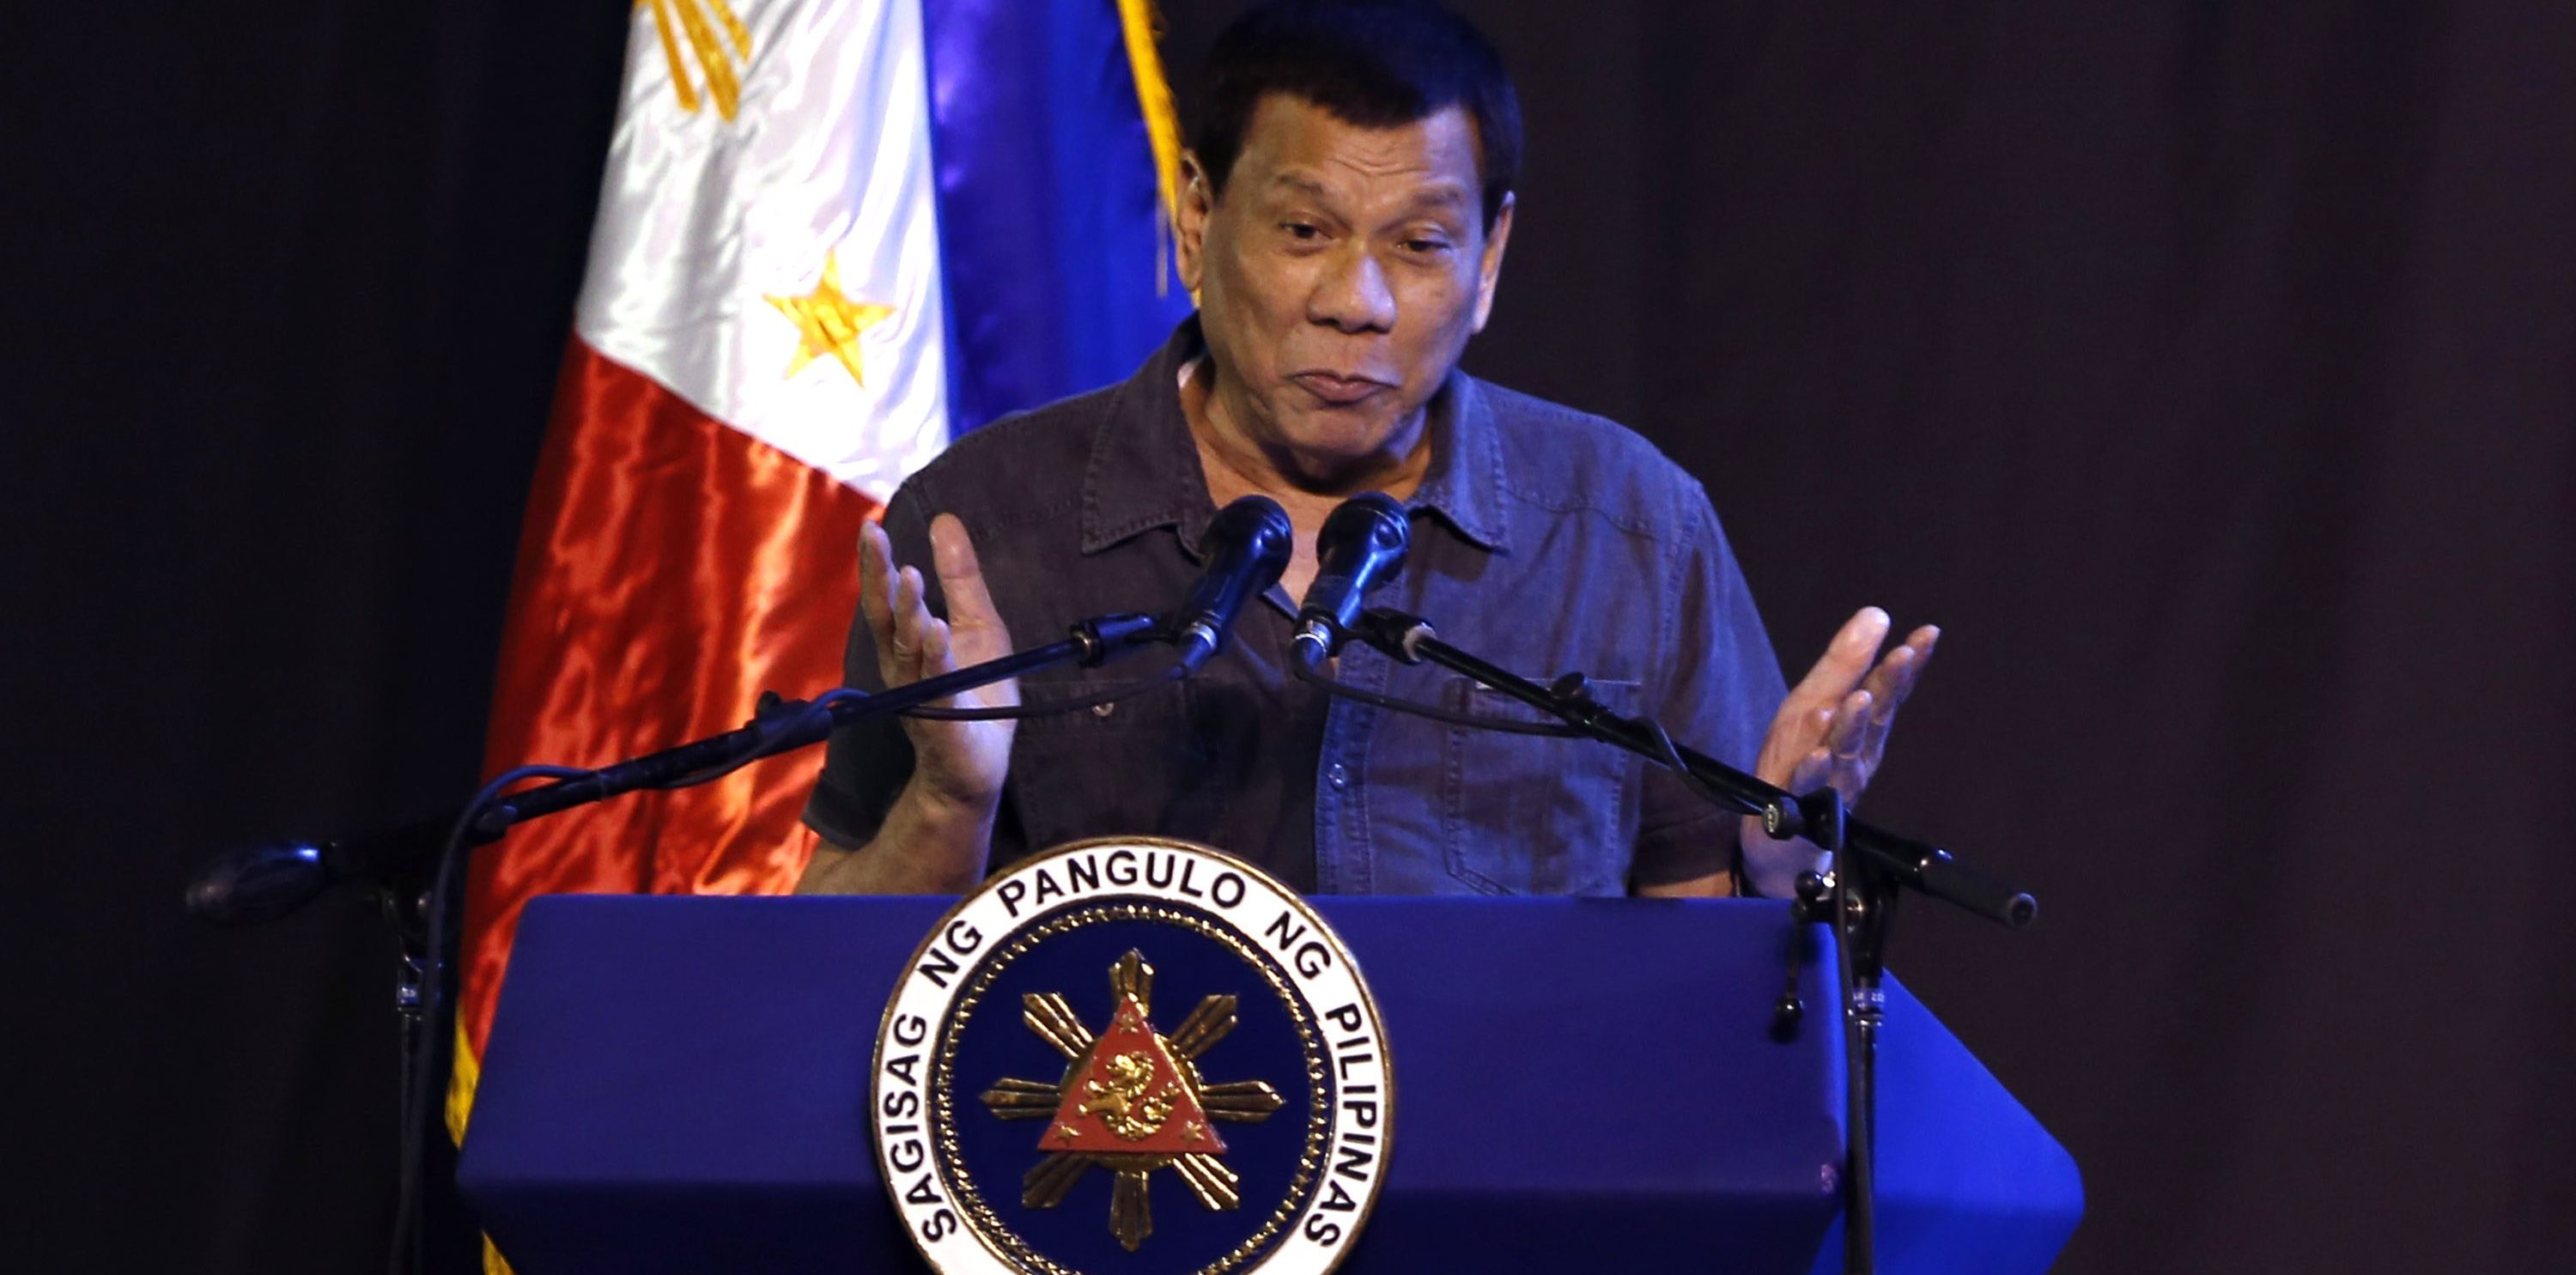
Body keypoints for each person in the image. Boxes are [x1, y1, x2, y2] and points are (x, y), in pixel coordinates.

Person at [798, 0, 1935, 899]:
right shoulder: (986, 526)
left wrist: (1782, 864)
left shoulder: (1629, 529)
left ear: (1489, 260)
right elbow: (822, 988)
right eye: (1305, 231)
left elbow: (1709, 1001)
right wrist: (946, 803)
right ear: (1197, 219)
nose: (1359, 302)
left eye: (1421, 244)